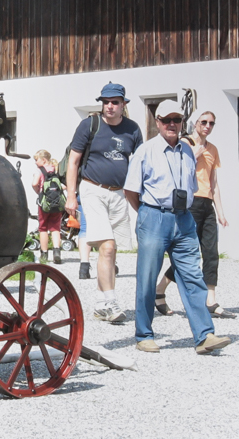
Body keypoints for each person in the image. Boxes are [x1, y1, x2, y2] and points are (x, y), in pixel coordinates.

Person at [123, 100, 231, 354]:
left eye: (177, 120)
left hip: (183, 218)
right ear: (158, 123)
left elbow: (193, 186)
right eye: (166, 120)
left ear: (183, 123)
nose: (172, 124)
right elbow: (130, 190)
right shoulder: (146, 150)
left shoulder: (187, 151)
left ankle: (204, 336)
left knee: (193, 275)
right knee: (148, 277)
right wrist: (148, 214)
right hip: (154, 216)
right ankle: (144, 334)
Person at [64, 82, 142, 322]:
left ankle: (100, 303)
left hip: (119, 194)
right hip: (93, 189)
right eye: (106, 102)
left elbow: (139, 164)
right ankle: (110, 301)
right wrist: (71, 195)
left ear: (123, 105)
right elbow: (73, 161)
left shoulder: (133, 129)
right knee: (106, 247)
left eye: (115, 102)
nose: (110, 106)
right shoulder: (89, 125)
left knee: (112, 250)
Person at [154, 111, 234, 319]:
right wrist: (195, 153)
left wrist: (220, 212)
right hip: (189, 202)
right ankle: (159, 290)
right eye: (204, 122)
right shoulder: (184, 143)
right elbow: (178, 168)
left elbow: (213, 182)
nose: (207, 126)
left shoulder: (213, 149)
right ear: (195, 123)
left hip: (207, 203)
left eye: (211, 124)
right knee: (187, 254)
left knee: (211, 252)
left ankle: (211, 299)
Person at [32, 150, 63, 264]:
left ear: (43, 160)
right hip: (57, 203)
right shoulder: (56, 169)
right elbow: (63, 185)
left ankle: (44, 254)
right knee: (55, 228)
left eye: (37, 160)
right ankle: (56, 252)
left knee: (43, 228)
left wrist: (39, 193)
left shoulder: (39, 171)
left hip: (44, 203)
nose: (35, 162)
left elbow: (34, 184)